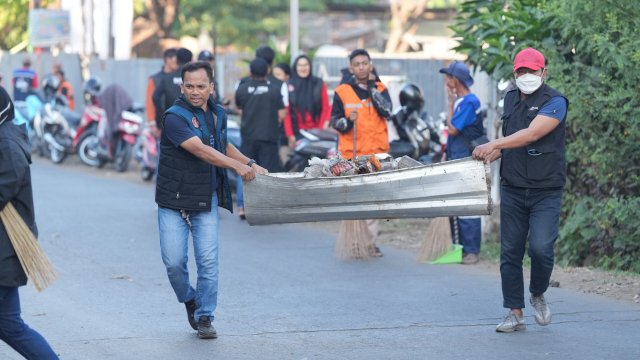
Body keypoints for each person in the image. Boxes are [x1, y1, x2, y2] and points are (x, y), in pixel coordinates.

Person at [156, 61, 267, 339]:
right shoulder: (174, 116)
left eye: (201, 86)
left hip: (205, 197)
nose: (195, 92)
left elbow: (222, 143)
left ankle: (205, 315)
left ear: (211, 87)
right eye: (189, 86)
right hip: (174, 201)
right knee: (174, 263)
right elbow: (201, 150)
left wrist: (250, 163)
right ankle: (188, 298)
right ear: (182, 87)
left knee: (208, 261)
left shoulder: (217, 113)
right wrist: (235, 167)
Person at [472, 48, 569, 333]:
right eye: (521, 71)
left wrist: (495, 144)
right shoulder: (511, 98)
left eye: (532, 71)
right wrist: (495, 153)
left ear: (544, 73)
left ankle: (538, 292)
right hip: (513, 186)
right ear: (514, 74)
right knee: (510, 252)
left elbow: (533, 133)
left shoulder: (555, 102)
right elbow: (514, 138)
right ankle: (514, 312)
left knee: (541, 248)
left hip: (546, 189)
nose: (526, 76)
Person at [0, 87, 59, 359]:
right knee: (10, 325)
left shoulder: (8, 146)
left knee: (11, 325)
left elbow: (2, 192)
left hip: (4, 249)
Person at [330, 49, 393, 257]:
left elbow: (388, 113)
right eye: (357, 64)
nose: (361, 67)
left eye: (365, 63)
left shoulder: (381, 88)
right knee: (353, 200)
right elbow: (335, 122)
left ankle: (370, 243)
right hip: (352, 155)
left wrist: (374, 91)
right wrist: (348, 121)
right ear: (351, 68)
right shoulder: (341, 91)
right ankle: (354, 242)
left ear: (370, 64)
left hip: (377, 155)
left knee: (374, 199)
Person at [438, 61, 483, 265]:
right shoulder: (461, 102)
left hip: (467, 160)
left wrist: (448, 104)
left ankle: (472, 251)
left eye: (448, 77)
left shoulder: (469, 102)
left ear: (455, 80)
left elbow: (454, 129)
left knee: (468, 206)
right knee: (456, 206)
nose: (446, 81)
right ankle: (459, 249)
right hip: (456, 158)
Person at [234, 58, 285, 218]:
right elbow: (282, 114)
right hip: (269, 136)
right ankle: (266, 207)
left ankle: (242, 206)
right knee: (267, 172)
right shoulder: (275, 89)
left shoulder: (242, 89)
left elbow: (240, 110)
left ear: (250, 72)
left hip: (248, 136)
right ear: (267, 73)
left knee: (244, 169)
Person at [283, 55, 331, 149]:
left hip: (317, 132)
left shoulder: (319, 83)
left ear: (310, 66)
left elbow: (326, 107)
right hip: (297, 133)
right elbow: (286, 112)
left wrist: (320, 129)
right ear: (295, 67)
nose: (303, 68)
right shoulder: (288, 85)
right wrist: (290, 135)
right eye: (300, 65)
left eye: (306, 65)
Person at [153, 48, 193, 125]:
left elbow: (155, 97)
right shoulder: (196, 78)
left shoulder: (167, 78)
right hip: (191, 122)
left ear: (177, 60)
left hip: (171, 121)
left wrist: (161, 117)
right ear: (191, 61)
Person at [146, 48, 178, 135]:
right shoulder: (154, 79)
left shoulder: (178, 78)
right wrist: (153, 123)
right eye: (176, 60)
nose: (178, 64)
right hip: (159, 123)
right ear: (168, 60)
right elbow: (150, 102)